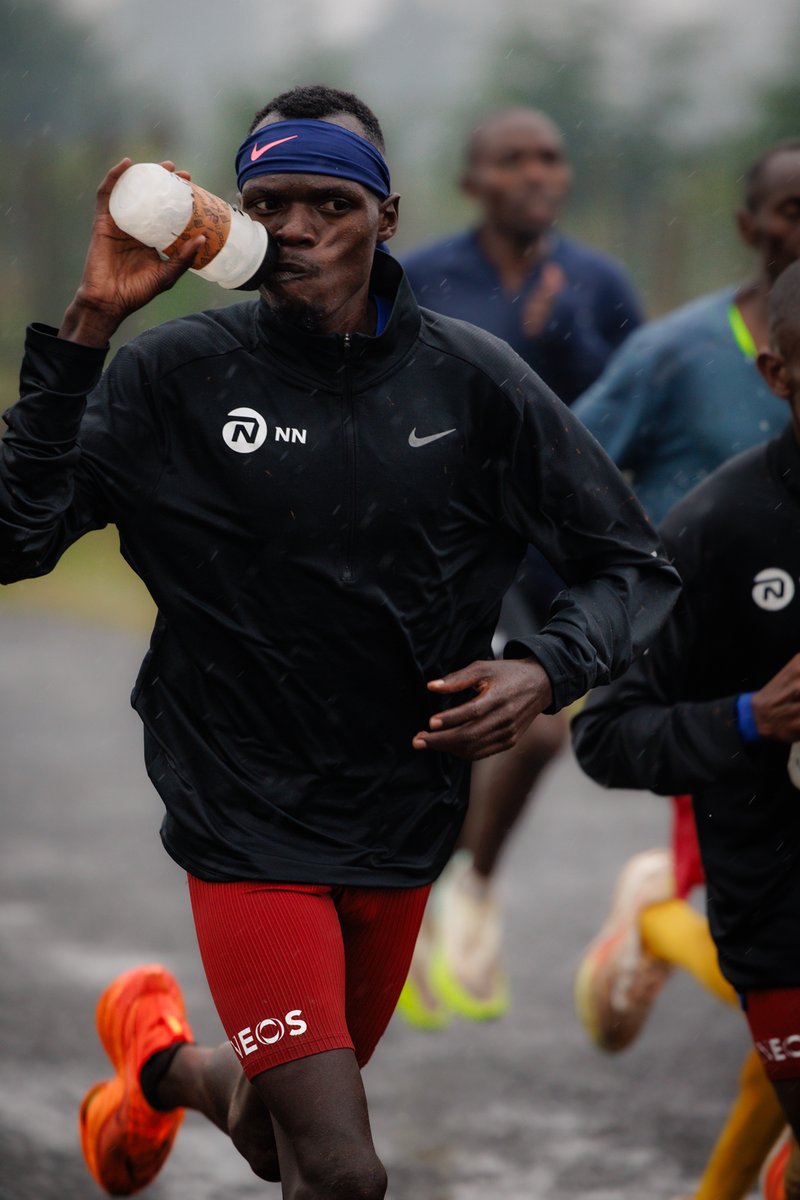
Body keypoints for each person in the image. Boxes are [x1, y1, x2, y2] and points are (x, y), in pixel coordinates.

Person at [0, 85, 678, 1198]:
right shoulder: (176, 378)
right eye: (273, 205)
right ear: (243, 221)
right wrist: (88, 323)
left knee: (276, 1134)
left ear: (387, 217)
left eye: (332, 203)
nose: (303, 227)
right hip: (242, 810)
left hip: (402, 812)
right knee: (341, 1171)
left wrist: (546, 667)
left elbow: (631, 566)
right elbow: (15, 540)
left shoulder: (474, 383)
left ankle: (161, 1064)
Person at [571, 141, 800, 1200]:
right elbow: (605, 729)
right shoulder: (713, 529)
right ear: (775, 372)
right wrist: (751, 720)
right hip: (775, 905)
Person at [397, 105, 645, 1027]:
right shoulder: (423, 277)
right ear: (473, 182)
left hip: (557, 545)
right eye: (514, 160)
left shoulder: (595, 281)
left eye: (551, 157)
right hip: (453, 540)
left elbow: (624, 410)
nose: (538, 173)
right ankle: (449, 892)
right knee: (522, 722)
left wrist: (569, 332)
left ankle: (461, 887)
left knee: (531, 718)